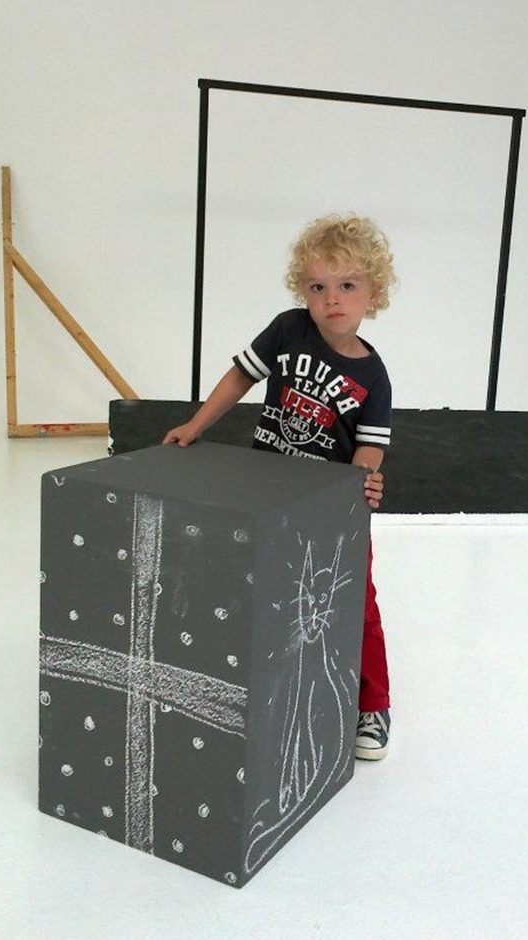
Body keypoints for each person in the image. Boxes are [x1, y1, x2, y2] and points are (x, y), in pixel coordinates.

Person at [163, 214, 396, 760]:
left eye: (347, 285)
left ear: (373, 293)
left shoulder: (374, 377)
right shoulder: (289, 330)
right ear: (302, 292)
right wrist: (196, 425)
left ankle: (373, 705)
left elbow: (370, 448)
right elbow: (241, 375)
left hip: (329, 506)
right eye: (317, 287)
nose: (331, 299)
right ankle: (253, 684)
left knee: (356, 601)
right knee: (257, 586)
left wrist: (360, 486)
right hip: (266, 495)